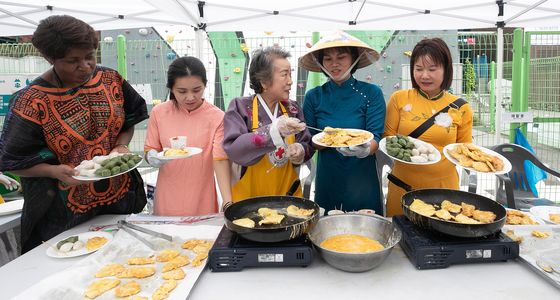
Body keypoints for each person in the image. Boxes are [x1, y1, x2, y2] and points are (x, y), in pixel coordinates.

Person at [0, 15, 148, 252]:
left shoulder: (110, 79)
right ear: (50, 58)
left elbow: (129, 120)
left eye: (90, 56)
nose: (85, 66)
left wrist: (121, 146)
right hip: (61, 216)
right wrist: (52, 171)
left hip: (118, 202)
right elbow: (10, 161)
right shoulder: (30, 101)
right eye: (72, 61)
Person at [383, 38, 473, 217]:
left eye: (432, 69)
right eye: (418, 69)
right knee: (401, 238)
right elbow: (388, 138)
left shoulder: (461, 108)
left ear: (446, 69)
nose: (425, 75)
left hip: (443, 191)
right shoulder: (399, 99)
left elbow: (466, 151)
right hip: (403, 187)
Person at [300, 31, 386, 213]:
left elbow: (376, 137)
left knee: (367, 235)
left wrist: (364, 149)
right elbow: (310, 139)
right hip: (328, 177)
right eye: (328, 59)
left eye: (341, 57)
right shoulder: (313, 96)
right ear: (321, 63)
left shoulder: (371, 93)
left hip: (362, 179)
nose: (334, 64)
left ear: (354, 59)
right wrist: (323, 141)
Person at [223, 46, 314, 202]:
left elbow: (306, 143)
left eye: (290, 74)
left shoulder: (292, 108)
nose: (291, 81)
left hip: (287, 197)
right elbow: (235, 150)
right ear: (264, 81)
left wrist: (300, 151)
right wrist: (273, 131)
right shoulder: (240, 107)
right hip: (249, 201)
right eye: (284, 75)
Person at [144, 56, 232, 215]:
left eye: (197, 90)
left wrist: (227, 200)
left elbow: (220, 160)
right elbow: (151, 147)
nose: (190, 97)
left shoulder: (217, 117)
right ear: (171, 88)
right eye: (182, 91)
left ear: (205, 85)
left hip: (201, 197)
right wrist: (151, 156)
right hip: (167, 195)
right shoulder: (159, 112)